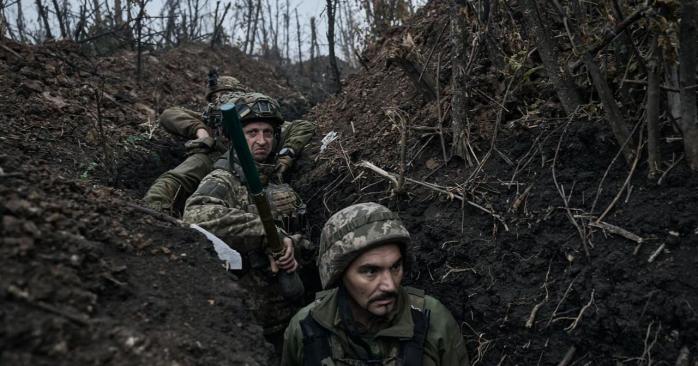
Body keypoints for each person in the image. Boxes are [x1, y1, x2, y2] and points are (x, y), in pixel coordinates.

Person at [181, 92, 312, 351]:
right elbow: (195, 213)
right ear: (236, 138)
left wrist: (291, 245)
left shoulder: (276, 177)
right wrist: (265, 232)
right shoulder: (223, 179)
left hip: (295, 315)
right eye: (252, 133)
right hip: (254, 322)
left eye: (268, 132)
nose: (262, 141)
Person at [281, 202, 470, 366]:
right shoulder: (305, 328)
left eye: (395, 267)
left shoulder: (433, 320)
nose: (389, 286)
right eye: (371, 271)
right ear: (339, 275)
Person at [144, 75, 316, 216]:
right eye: (217, 98)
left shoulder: (257, 121)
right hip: (217, 155)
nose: (223, 100)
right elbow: (169, 115)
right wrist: (201, 131)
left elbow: (301, 126)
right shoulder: (211, 120)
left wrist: (286, 156)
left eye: (230, 96)